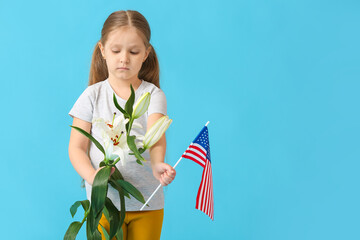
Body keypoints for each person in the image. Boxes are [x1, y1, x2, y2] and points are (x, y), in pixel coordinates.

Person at [68, 10, 176, 240]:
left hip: (147, 201)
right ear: (102, 50)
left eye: (133, 51)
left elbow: (155, 136)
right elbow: (76, 147)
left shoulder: (153, 95)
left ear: (146, 53)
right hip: (105, 204)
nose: (124, 58)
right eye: (116, 50)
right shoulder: (91, 96)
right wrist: (93, 177)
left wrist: (158, 164)